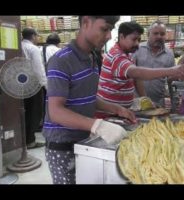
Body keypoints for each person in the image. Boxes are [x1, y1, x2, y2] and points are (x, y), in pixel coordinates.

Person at [42, 16, 136, 184]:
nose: (108, 36)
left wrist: (116, 109)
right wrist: (97, 125)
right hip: (62, 145)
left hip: (83, 140)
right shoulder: (61, 61)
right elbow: (55, 111)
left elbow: (88, 95)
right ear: (85, 23)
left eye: (111, 29)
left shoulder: (92, 57)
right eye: (104, 29)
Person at [97, 21, 184, 108]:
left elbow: (137, 79)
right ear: (121, 37)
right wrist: (172, 70)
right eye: (134, 39)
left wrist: (146, 100)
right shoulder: (116, 56)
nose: (137, 44)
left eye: (139, 40)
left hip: (124, 110)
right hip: (109, 114)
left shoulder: (128, 53)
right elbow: (136, 72)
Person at [132, 20, 175, 107]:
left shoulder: (169, 54)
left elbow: (171, 81)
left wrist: (173, 103)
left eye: (162, 34)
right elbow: (131, 77)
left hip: (158, 104)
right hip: (137, 102)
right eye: (155, 33)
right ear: (148, 34)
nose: (159, 36)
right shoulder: (137, 49)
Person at [21, 27, 47, 149]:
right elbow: (38, 69)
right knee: (34, 113)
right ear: (33, 36)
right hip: (33, 85)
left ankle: (23, 140)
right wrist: (46, 86)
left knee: (24, 112)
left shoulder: (19, 46)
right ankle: (30, 141)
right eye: (37, 36)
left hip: (20, 85)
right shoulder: (33, 48)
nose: (37, 38)